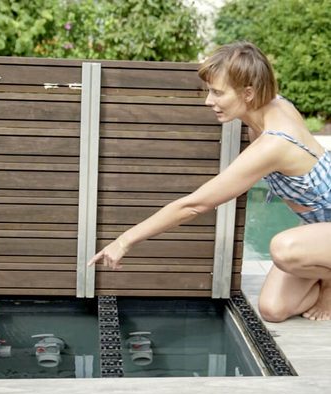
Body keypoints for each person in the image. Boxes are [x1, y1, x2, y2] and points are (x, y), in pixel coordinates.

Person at [89, 41, 331, 322]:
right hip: (319, 226)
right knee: (273, 309)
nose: (208, 101)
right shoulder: (271, 105)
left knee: (283, 249)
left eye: (217, 92)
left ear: (248, 93)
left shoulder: (275, 143)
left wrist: (125, 240)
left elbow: (194, 205)